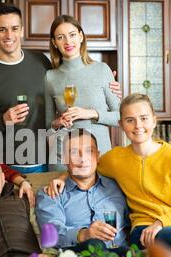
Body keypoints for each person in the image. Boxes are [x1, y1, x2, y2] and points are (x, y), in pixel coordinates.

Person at [0, 3, 122, 174]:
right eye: (2, 29)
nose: (9, 35)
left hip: (47, 159)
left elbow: (69, 78)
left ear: (22, 31)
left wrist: (107, 83)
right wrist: (2, 120)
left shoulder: (41, 62)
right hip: (8, 165)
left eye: (14, 28)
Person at [47, 93, 171, 249]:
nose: (138, 126)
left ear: (154, 121)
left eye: (144, 118)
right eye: (130, 120)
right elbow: (85, 166)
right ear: (121, 125)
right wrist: (62, 177)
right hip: (143, 230)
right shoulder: (115, 159)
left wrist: (162, 222)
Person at [45, 15, 121, 171]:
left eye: (72, 35)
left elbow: (120, 117)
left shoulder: (102, 70)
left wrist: (91, 113)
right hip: (63, 159)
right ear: (54, 43)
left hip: (99, 157)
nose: (67, 41)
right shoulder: (50, 77)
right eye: (61, 37)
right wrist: (58, 122)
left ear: (80, 36)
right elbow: (47, 126)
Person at [36, 128, 129, 253]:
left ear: (98, 156)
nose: (82, 158)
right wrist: (84, 234)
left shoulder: (119, 186)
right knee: (94, 245)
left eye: (89, 151)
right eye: (74, 152)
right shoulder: (51, 194)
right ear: (64, 159)